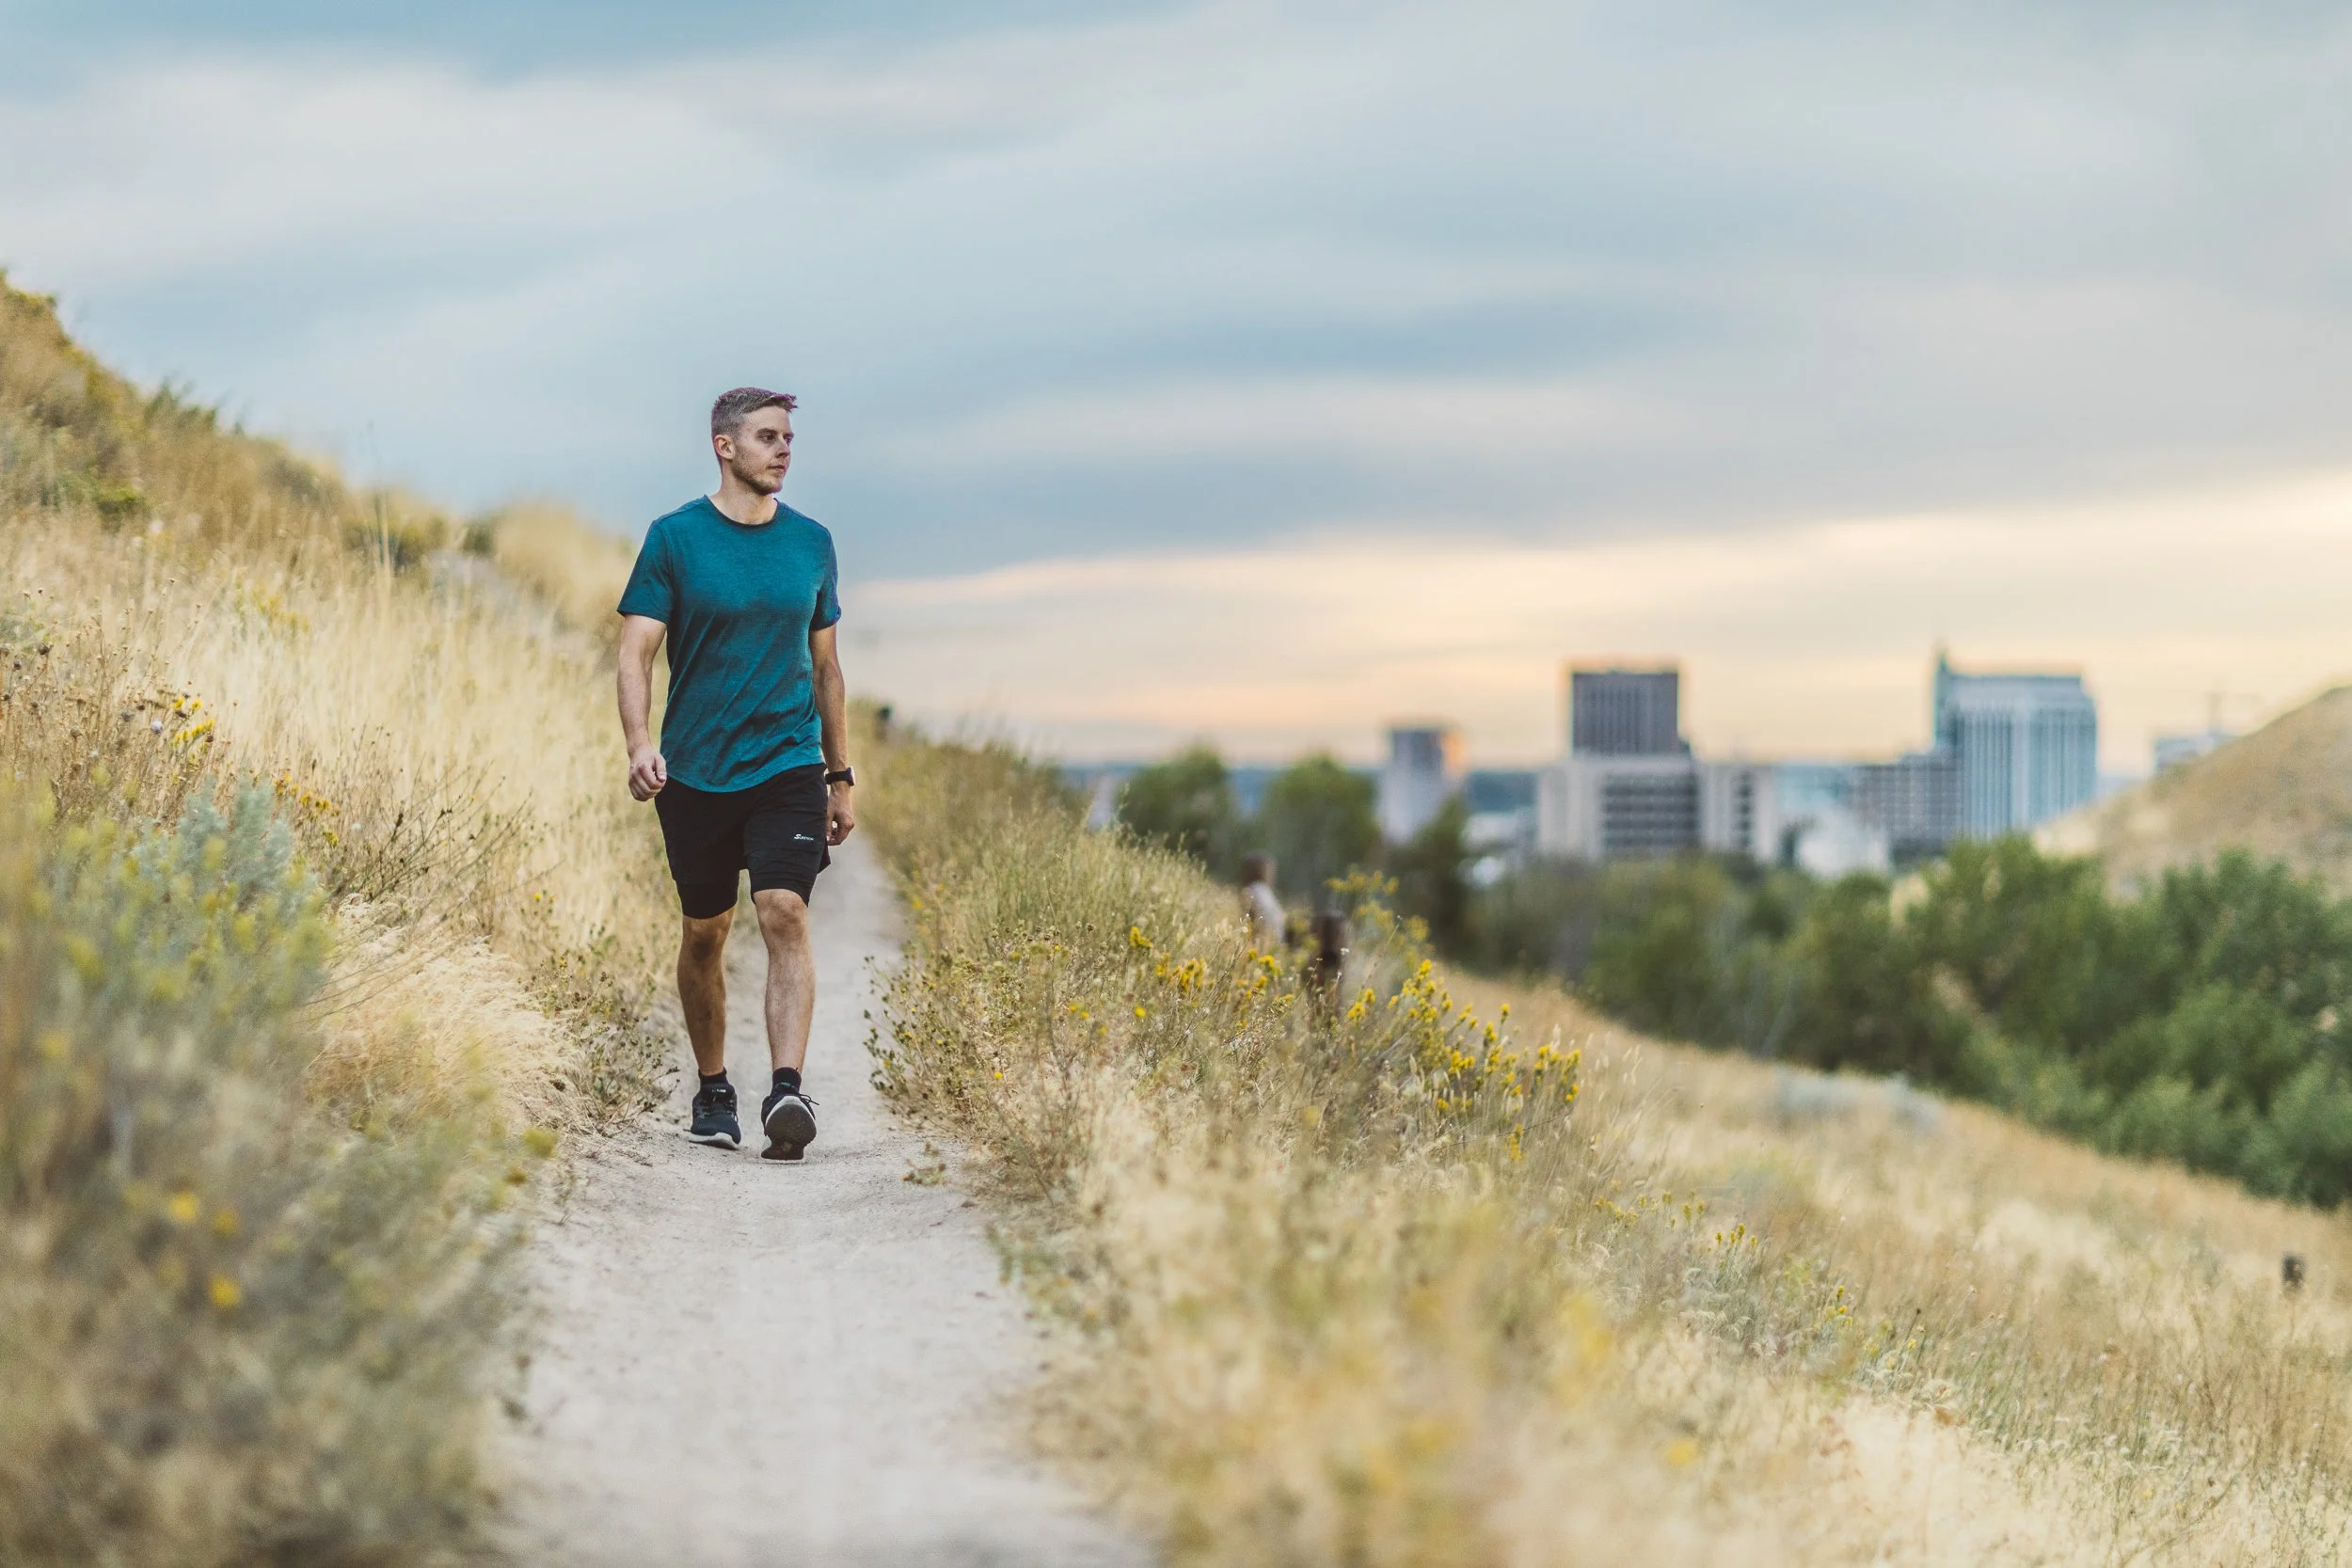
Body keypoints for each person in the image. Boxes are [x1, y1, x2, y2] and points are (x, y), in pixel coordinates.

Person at [615, 387, 855, 1162]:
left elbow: (827, 670)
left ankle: (787, 1088)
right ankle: (713, 1086)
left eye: (788, 437)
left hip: (787, 760)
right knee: (705, 931)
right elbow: (636, 649)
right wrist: (638, 744)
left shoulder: (812, 542)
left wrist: (839, 775)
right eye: (767, 436)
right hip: (696, 769)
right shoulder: (674, 539)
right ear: (725, 446)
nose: (784, 449)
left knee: (784, 908)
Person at [1239, 852, 1285, 952]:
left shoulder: (1252, 891)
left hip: (1262, 947)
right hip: (1274, 947)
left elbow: (1250, 924)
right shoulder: (1265, 892)